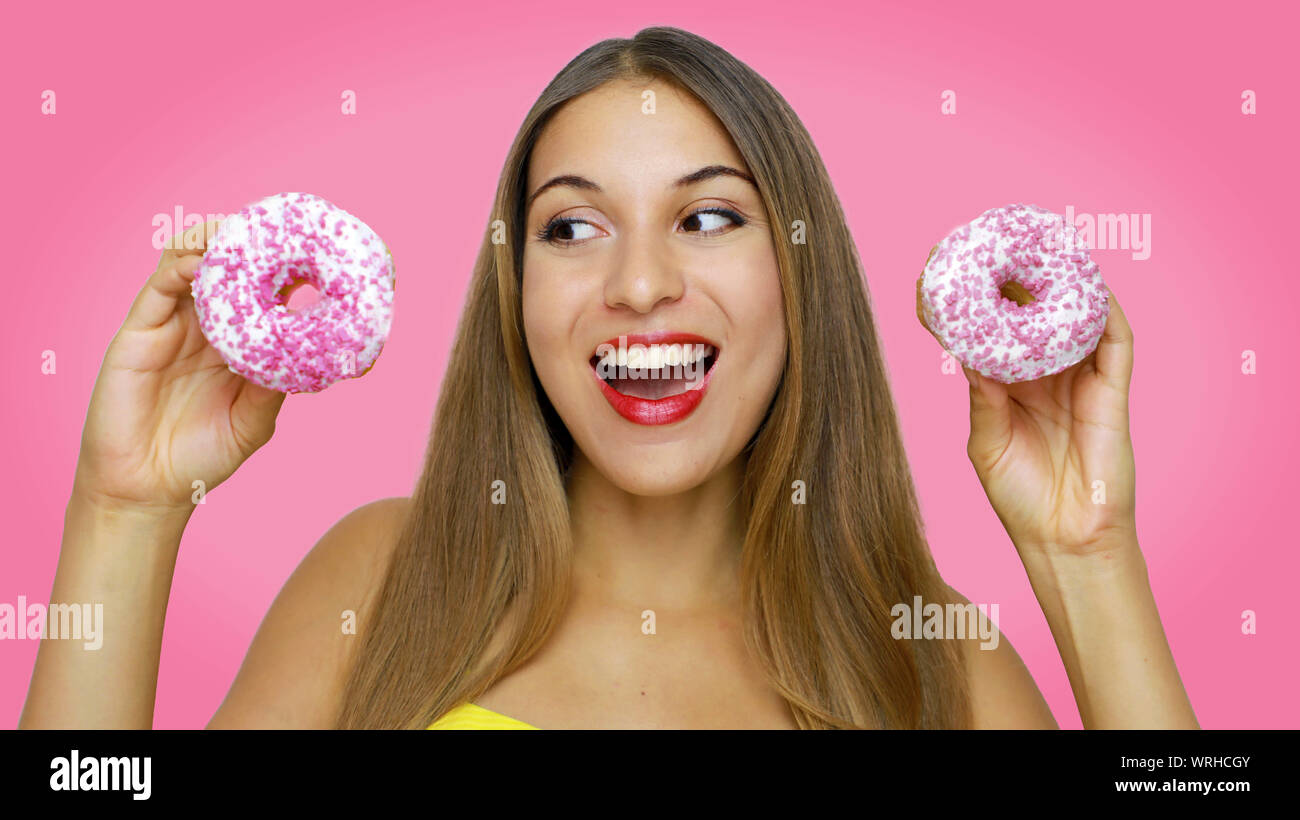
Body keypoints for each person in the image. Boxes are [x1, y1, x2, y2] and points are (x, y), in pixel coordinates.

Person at [20, 26, 1197, 730]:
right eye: (572, 229)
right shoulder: (382, 581)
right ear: (515, 292)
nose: (638, 285)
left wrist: (1086, 555)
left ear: (801, 275)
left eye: (707, 216)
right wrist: (125, 511)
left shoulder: (931, 655)